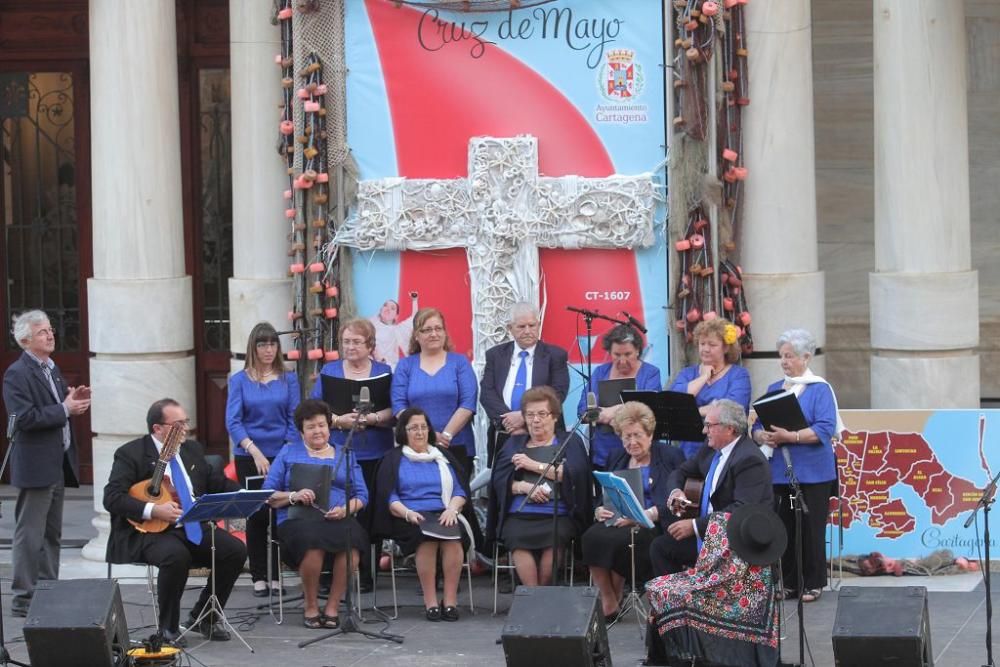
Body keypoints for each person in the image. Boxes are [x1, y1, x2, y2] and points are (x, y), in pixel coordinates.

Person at [103, 399, 246, 645]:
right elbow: (112, 497)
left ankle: (204, 616)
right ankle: (168, 628)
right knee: (175, 556)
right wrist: (153, 510)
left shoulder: (192, 450)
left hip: (191, 525)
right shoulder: (131, 453)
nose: (185, 429)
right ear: (158, 428)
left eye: (186, 422)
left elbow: (218, 484)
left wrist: (248, 495)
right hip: (150, 531)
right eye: (178, 424)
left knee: (234, 550)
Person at [2, 310, 90, 617]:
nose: (50, 335)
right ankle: (23, 598)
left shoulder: (51, 369)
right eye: (42, 332)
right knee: (30, 533)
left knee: (52, 534)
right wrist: (65, 409)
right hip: (36, 465)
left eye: (51, 330)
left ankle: (47, 589)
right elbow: (24, 418)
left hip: (57, 463)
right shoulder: (17, 373)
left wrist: (73, 401)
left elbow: (57, 409)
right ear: (25, 340)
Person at [752, 328, 842, 603]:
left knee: (810, 526)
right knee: (788, 525)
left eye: (789, 356)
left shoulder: (820, 389)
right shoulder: (774, 389)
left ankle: (813, 582)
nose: (784, 362)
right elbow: (756, 425)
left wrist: (791, 437)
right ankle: (790, 582)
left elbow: (825, 429)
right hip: (784, 475)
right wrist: (762, 435)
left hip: (813, 476)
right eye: (782, 356)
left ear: (806, 357)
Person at [264, 399, 369, 629]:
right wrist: (294, 495)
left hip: (338, 517)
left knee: (352, 543)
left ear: (329, 426)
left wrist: (345, 510)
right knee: (312, 543)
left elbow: (362, 494)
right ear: (301, 431)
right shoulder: (288, 452)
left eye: (322, 425)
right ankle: (310, 605)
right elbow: (267, 493)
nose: (318, 431)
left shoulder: (345, 453)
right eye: (311, 427)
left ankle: (332, 606)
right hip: (298, 520)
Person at [310, 318, 394, 591]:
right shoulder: (330, 371)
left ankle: (367, 573)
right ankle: (328, 572)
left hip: (375, 451)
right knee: (333, 509)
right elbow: (314, 407)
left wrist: (372, 419)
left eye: (356, 341)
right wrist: (337, 420)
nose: (350, 346)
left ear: (369, 344)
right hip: (338, 451)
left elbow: (396, 409)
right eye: (346, 342)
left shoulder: (384, 371)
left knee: (368, 513)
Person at [644, 506, 785, 667]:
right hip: (718, 574)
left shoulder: (757, 554)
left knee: (669, 591)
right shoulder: (734, 525)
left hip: (729, 583)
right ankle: (674, 656)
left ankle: (680, 656)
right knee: (661, 582)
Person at [581, 402, 683, 619]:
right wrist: (599, 509)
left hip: (653, 522)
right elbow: (606, 493)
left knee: (621, 541)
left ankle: (615, 596)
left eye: (637, 435)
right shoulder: (616, 457)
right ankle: (609, 598)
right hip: (619, 519)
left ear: (650, 434)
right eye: (626, 436)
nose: (632, 442)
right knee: (590, 537)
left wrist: (643, 515)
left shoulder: (670, 456)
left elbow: (678, 498)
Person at [649, 399, 772, 577]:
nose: (704, 431)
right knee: (660, 546)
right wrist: (676, 491)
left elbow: (741, 510)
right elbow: (680, 472)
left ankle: (700, 600)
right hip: (708, 531)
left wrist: (694, 526)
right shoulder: (710, 450)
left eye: (709, 425)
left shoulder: (749, 460)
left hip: (735, 538)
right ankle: (679, 602)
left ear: (729, 428)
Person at [372, 408, 473, 622]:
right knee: (426, 538)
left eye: (423, 427)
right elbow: (389, 497)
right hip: (408, 516)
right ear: (403, 432)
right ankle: (431, 602)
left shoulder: (443, 456)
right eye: (413, 428)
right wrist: (408, 513)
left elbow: (460, 490)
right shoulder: (393, 459)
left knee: (453, 539)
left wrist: (452, 509)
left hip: (444, 511)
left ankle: (451, 601)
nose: (420, 432)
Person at [487, 386, 592, 586]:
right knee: (516, 537)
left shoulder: (569, 442)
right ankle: (532, 596)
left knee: (555, 541)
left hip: (558, 515)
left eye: (542, 414)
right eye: (530, 414)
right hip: (519, 514)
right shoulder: (514, 443)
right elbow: (499, 481)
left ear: (554, 417)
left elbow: (574, 474)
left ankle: (542, 596)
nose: (536, 420)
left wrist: (532, 465)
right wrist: (525, 487)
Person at [225, 321, 299, 598]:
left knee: (278, 512)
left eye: (272, 344)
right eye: (262, 344)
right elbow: (233, 421)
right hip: (249, 455)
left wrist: (282, 455)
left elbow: (294, 418)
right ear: (253, 348)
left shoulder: (288, 378)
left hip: (281, 453)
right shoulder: (240, 380)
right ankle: (258, 575)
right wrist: (254, 450)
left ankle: (277, 573)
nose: (268, 350)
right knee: (257, 514)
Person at [391, 307, 478, 483]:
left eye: (438, 328)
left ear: (445, 332)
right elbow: (399, 405)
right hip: (416, 447)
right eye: (427, 330)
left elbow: (468, 403)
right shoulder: (405, 366)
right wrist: (428, 436)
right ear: (416, 335)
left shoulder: (459, 363)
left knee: (457, 500)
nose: (433, 334)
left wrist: (445, 436)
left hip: (457, 445)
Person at [480, 302, 570, 468]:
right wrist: (509, 421)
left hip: (545, 435)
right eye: (521, 326)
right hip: (505, 432)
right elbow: (487, 393)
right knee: (503, 485)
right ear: (510, 328)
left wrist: (524, 417)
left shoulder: (555, 355)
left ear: (539, 324)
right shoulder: (495, 355)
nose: (527, 331)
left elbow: (558, 394)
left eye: (532, 325)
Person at [578, 324, 661, 471]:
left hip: (638, 452)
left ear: (637, 351)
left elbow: (651, 409)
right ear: (609, 352)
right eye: (617, 355)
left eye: (628, 354)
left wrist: (617, 411)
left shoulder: (650, 373)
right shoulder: (600, 372)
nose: (622, 361)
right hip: (603, 453)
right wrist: (604, 414)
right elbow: (582, 410)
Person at [669, 318, 751, 459]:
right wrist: (703, 377)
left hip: (725, 451)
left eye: (712, 345)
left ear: (725, 348)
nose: (705, 349)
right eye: (702, 344)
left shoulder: (739, 375)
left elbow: (730, 410)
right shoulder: (687, 373)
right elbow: (674, 402)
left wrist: (691, 411)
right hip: (689, 450)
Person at [369, 291, 418, 368]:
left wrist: (414, 300)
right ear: (381, 309)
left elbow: (414, 318)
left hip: (389, 368)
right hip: (371, 367)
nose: (388, 309)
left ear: (396, 316)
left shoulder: (397, 330)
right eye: (385, 305)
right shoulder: (369, 324)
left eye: (392, 308)